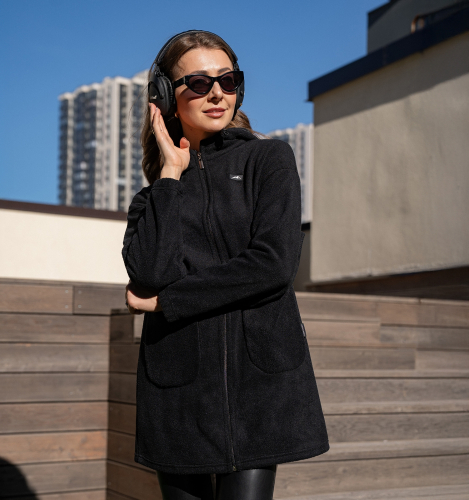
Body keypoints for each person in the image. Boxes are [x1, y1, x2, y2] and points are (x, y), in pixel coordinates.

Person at [122, 30, 329, 500]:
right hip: (177, 390)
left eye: (228, 80)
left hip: (261, 385)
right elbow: (148, 275)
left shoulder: (269, 159)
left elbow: (273, 264)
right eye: (198, 83)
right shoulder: (152, 199)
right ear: (165, 97)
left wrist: (170, 300)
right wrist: (170, 175)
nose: (217, 93)